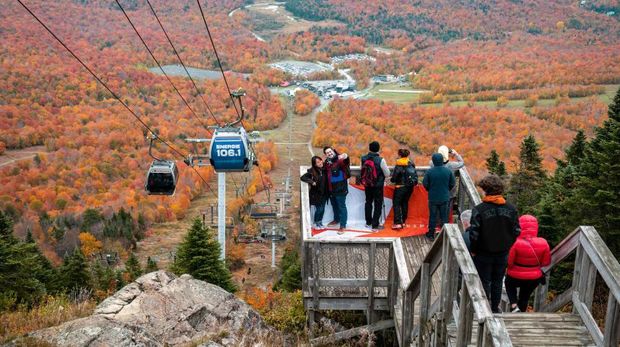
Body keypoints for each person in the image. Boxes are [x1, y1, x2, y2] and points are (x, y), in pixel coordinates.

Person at [467, 175, 520, 313]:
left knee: (484, 281)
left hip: (483, 253)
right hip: (502, 253)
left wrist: (473, 249)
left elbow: (474, 234)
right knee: (497, 281)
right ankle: (495, 308)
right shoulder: (511, 209)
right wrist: (507, 245)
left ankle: (483, 309)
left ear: (486, 190)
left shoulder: (480, 209)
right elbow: (516, 231)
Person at [505, 215, 551, 312]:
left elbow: (509, 262)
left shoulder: (515, 242)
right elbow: (546, 262)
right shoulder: (543, 242)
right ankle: (521, 314)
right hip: (534, 277)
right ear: (535, 227)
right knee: (524, 296)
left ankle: (513, 305)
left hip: (515, 275)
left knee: (508, 283)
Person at [423, 153, 455, 241]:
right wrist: (446, 190)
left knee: (432, 216)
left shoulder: (429, 172)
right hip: (444, 197)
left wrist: (430, 189)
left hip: (433, 197)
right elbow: (452, 183)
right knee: (444, 216)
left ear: (433, 161)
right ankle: (444, 234)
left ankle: (431, 234)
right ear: (442, 160)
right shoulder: (448, 171)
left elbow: (425, 184)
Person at [361, 141, 390, 231]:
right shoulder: (381, 160)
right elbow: (387, 173)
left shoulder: (363, 158)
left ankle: (368, 222)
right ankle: (375, 225)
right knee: (378, 204)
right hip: (377, 186)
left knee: (368, 202)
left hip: (367, 184)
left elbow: (362, 170)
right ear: (378, 149)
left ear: (369, 148)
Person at [323, 146, 350, 234]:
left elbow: (346, 161)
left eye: (330, 151)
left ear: (333, 151)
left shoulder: (339, 160)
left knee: (341, 206)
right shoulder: (327, 162)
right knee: (334, 205)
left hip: (340, 188)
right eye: (327, 153)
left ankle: (343, 226)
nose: (329, 153)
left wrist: (345, 156)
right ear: (326, 155)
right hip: (331, 189)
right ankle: (336, 220)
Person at [390, 149, 417, 230]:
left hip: (400, 187)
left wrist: (391, 180)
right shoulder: (411, 163)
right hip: (410, 187)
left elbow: (394, 178)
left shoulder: (399, 163)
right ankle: (404, 222)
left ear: (400, 155)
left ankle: (398, 223)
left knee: (396, 204)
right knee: (405, 203)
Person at [301, 156, 328, 229]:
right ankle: (316, 223)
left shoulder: (325, 169)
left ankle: (320, 222)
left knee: (323, 209)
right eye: (318, 162)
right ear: (315, 164)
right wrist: (312, 182)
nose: (320, 163)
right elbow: (303, 177)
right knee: (319, 209)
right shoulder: (312, 171)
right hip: (316, 194)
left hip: (325, 193)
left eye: (320, 161)